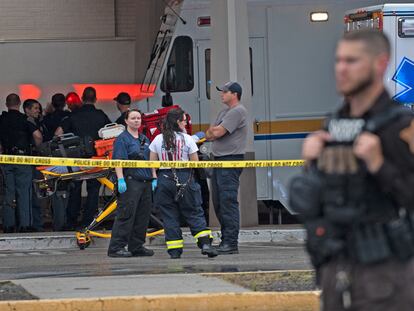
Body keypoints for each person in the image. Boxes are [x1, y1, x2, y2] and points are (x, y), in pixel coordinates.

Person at [293, 29, 414, 311]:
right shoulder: (333, 126)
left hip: (387, 274)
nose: (342, 69)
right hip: (336, 270)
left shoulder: (399, 126)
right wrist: (310, 163)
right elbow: (318, 200)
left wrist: (378, 164)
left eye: (352, 61)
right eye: (338, 61)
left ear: (380, 64)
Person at [149, 108, 218, 259]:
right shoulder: (187, 139)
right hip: (185, 177)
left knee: (169, 216)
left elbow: (152, 163)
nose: (186, 123)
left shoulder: (158, 139)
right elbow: (195, 163)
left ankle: (175, 251)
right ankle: (205, 244)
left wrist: (154, 179)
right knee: (194, 212)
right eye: (184, 120)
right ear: (178, 122)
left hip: (164, 178)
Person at [56, 86, 111, 228]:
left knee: (75, 189)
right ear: (96, 99)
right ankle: (89, 223)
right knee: (93, 191)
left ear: (82, 98)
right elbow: (110, 132)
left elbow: (58, 133)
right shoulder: (101, 115)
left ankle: (71, 222)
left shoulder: (73, 115)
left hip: (77, 158)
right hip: (96, 159)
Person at [205, 81, 247, 254]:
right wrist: (212, 132)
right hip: (219, 160)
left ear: (234, 94)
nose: (221, 94)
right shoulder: (224, 111)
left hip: (230, 160)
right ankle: (226, 241)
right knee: (219, 202)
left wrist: (213, 132)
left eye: (224, 91)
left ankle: (231, 242)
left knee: (228, 201)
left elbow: (216, 133)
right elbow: (210, 133)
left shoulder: (238, 111)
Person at [107, 109, 154, 257]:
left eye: (138, 118)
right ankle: (116, 247)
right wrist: (120, 179)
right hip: (131, 182)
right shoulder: (122, 139)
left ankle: (137, 246)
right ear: (126, 121)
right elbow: (118, 161)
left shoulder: (145, 139)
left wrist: (154, 177)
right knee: (126, 214)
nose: (136, 121)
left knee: (143, 216)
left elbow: (151, 160)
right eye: (133, 118)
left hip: (146, 182)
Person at [0, 94, 42, 233]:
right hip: (23, 159)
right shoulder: (25, 119)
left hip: (6, 158)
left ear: (7, 104)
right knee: (24, 192)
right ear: (19, 104)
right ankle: (25, 225)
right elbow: (37, 136)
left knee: (8, 193)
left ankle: (9, 225)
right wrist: (37, 147)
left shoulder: (2, 120)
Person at [22, 98, 46, 232]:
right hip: (34, 161)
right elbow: (38, 137)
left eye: (39, 108)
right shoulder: (29, 122)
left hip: (36, 162)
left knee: (38, 192)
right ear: (27, 110)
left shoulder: (37, 121)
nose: (38, 111)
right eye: (35, 108)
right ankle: (36, 224)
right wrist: (41, 149)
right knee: (36, 193)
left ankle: (36, 223)